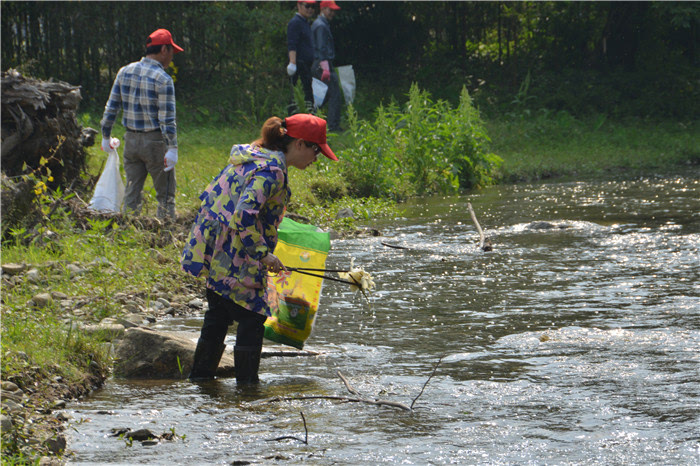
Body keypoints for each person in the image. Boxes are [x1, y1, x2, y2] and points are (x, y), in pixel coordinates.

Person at [181, 114, 338, 384]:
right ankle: (248, 391)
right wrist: (263, 254)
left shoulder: (254, 155)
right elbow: (244, 215)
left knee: (217, 316)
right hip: (238, 256)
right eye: (316, 151)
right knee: (253, 317)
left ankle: (200, 383)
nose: (316, 159)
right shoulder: (272, 171)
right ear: (299, 144)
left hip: (216, 251)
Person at [100, 28, 184, 219]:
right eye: (172, 52)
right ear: (164, 49)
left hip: (130, 140)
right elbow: (167, 119)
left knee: (132, 191)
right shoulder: (163, 79)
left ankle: (128, 231)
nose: (172, 57)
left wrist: (106, 136)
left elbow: (111, 108)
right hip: (155, 143)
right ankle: (165, 233)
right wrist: (172, 148)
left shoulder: (124, 72)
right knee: (166, 195)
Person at [312, 0, 342, 132]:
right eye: (330, 10)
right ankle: (333, 127)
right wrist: (325, 67)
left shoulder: (321, 24)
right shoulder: (321, 26)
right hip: (322, 64)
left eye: (333, 10)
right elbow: (321, 47)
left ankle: (309, 118)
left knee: (322, 96)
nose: (332, 13)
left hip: (319, 63)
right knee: (335, 94)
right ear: (323, 9)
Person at [286, 1, 317, 115]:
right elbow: (292, 44)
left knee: (306, 95)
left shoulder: (305, 23)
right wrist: (292, 62)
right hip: (299, 64)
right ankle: (293, 122)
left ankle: (305, 122)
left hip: (306, 65)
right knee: (299, 95)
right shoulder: (295, 23)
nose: (310, 9)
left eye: (313, 7)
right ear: (299, 6)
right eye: (307, 6)